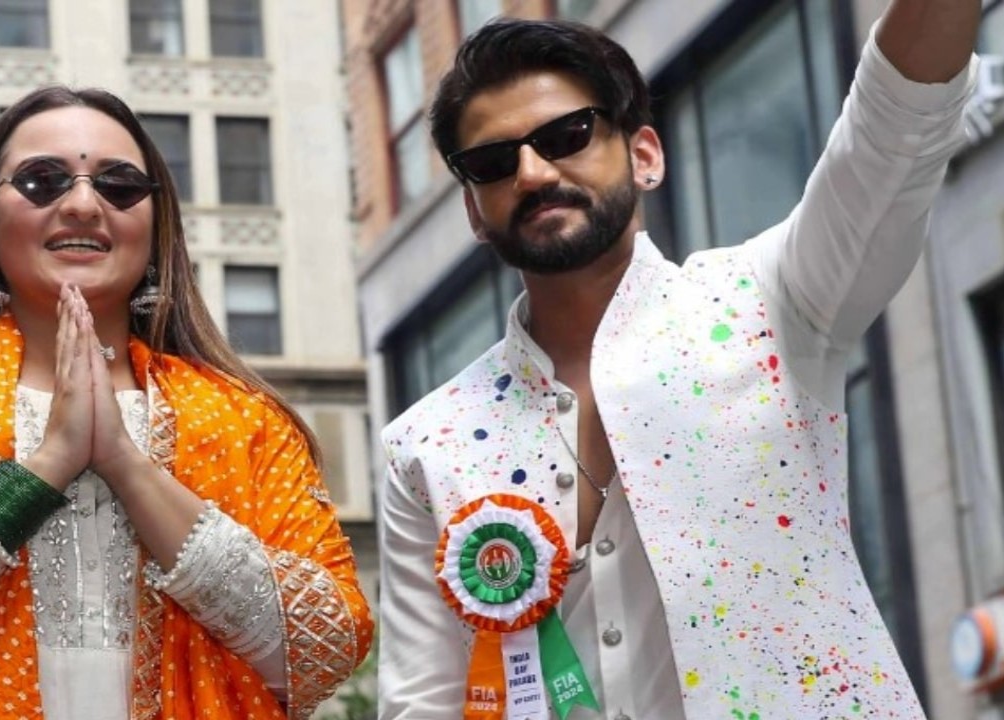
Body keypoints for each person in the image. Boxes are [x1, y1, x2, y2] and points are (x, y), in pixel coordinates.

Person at [378, 2, 978, 718]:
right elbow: (423, 705)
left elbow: (892, 133)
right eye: (492, 162)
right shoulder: (423, 446)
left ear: (645, 155)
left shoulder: (771, 300)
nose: (533, 174)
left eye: (567, 135)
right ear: (475, 210)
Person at [0, 85, 373, 720]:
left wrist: (125, 463)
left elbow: (325, 649)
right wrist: (45, 467)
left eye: (119, 186)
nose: (85, 204)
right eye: (42, 181)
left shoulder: (244, 419)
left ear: (155, 226)